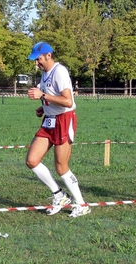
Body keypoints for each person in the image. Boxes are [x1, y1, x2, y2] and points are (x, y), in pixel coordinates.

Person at [26, 41, 91, 218]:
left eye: (38, 59)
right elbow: (52, 97)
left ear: (48, 55)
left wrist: (43, 96)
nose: (36, 63)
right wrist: (44, 106)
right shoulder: (44, 73)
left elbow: (68, 101)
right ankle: (59, 195)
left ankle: (82, 204)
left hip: (64, 120)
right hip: (49, 120)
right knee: (32, 160)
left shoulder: (59, 71)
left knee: (61, 167)